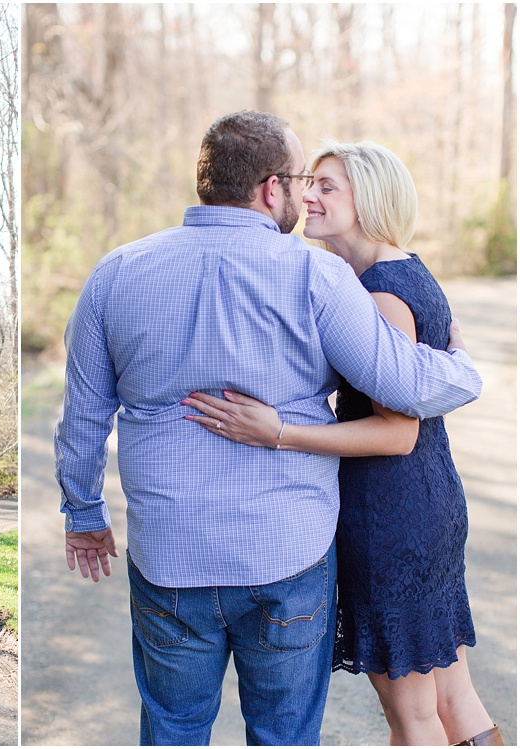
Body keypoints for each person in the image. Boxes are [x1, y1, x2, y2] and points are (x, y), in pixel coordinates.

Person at [53, 110, 483, 746]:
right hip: (288, 558)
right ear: (270, 188)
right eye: (302, 179)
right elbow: (407, 387)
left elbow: (82, 417)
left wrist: (84, 515)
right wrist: (464, 366)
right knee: (284, 736)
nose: (307, 195)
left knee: (172, 730)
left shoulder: (115, 273)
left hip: (172, 558)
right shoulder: (316, 276)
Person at [182, 141, 502, 746]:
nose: (309, 197)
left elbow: (398, 432)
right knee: (454, 696)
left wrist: (277, 432)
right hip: (426, 505)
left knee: (413, 716)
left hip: (391, 516)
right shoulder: (400, 270)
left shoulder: (379, 293)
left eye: (329, 188)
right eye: (311, 185)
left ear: (369, 200)